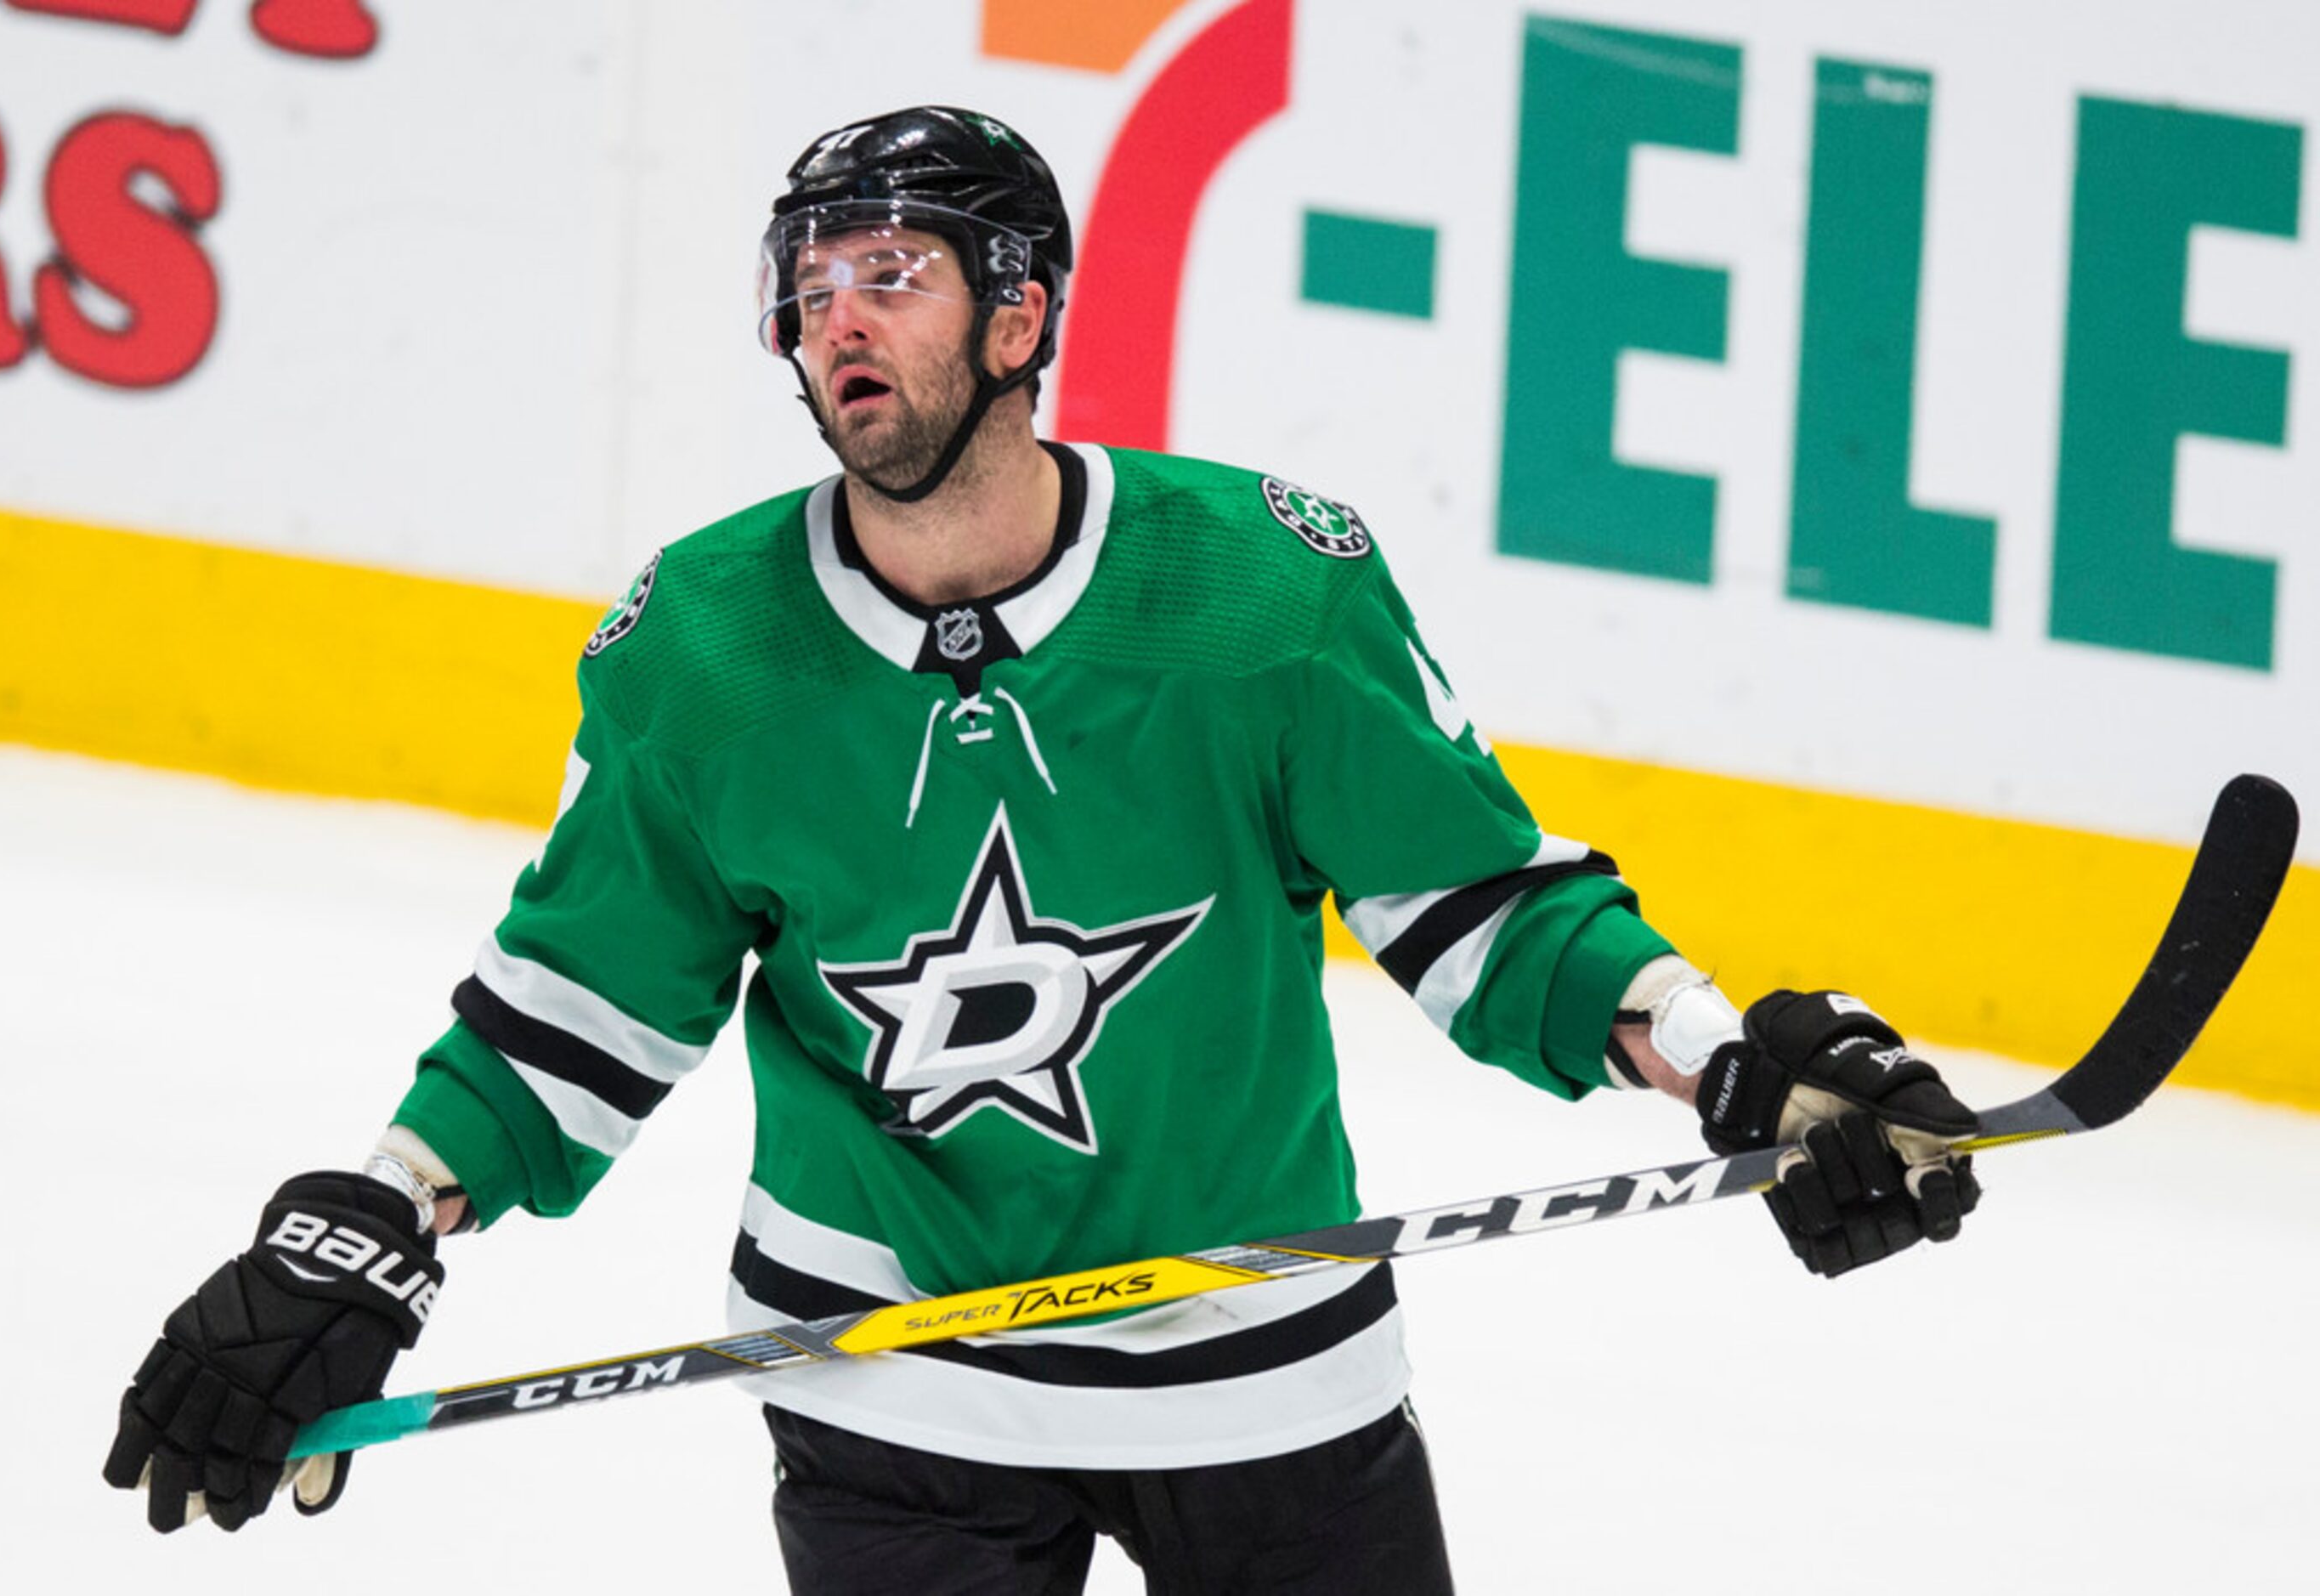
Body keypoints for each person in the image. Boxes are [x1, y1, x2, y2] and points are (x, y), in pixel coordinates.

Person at [104, 106, 1983, 1592]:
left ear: (1020, 316)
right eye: (811, 278)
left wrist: (1726, 1054)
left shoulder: (1262, 593)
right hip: (883, 1379)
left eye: (896, 271)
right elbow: (583, 1001)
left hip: (1265, 1368)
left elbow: (1479, 906)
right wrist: (371, 1220)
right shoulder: (703, 646)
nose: (839, 314)